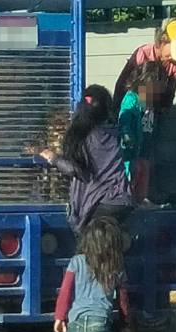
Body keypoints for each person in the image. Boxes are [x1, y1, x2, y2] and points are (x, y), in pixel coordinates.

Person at [39, 85, 133, 234]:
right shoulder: (113, 132)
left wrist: (53, 158)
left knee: (89, 250)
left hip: (101, 203)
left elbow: (73, 170)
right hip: (124, 200)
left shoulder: (82, 137)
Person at [112, 19, 176, 115]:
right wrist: (115, 108)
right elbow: (122, 83)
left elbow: (170, 91)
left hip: (155, 107)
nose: (173, 57)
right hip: (132, 105)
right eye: (173, 52)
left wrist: (164, 109)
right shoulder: (143, 54)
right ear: (163, 40)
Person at [118, 61, 168, 203]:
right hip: (132, 150)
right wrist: (127, 134)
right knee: (133, 175)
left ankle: (141, 200)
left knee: (144, 173)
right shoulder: (132, 98)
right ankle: (129, 200)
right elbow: (125, 118)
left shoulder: (150, 100)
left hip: (145, 147)